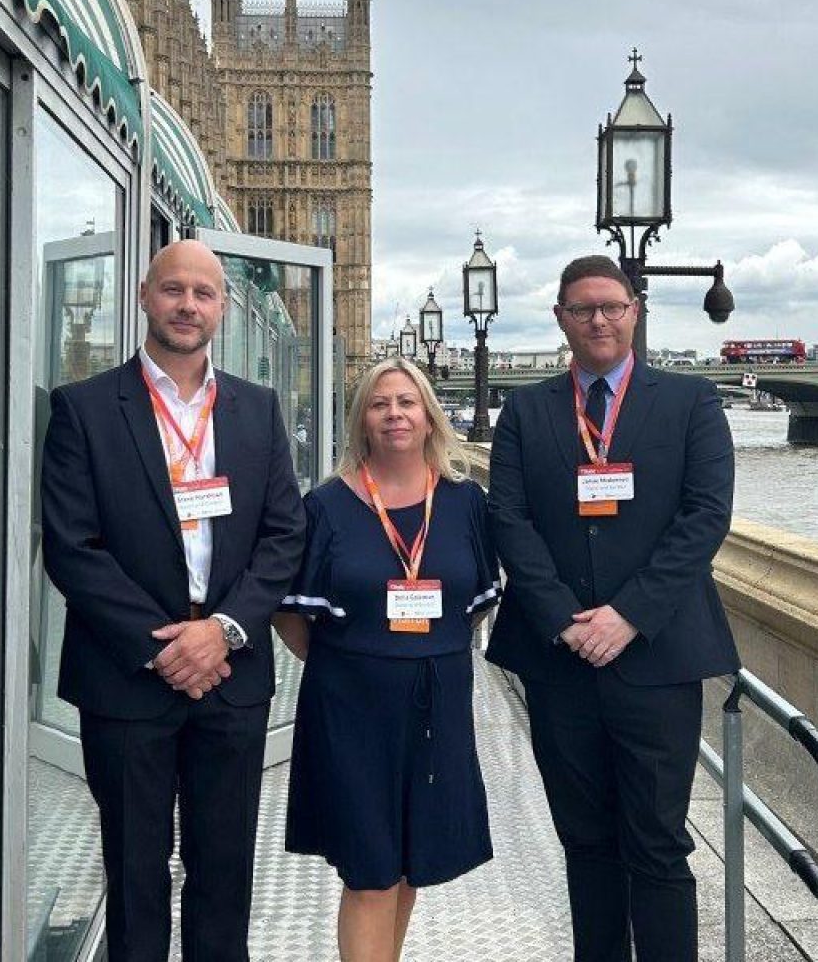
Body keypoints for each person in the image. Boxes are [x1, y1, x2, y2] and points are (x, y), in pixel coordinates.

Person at [41, 239, 306, 962]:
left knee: (224, 875)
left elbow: (285, 534)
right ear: (144, 296)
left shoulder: (257, 410)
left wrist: (222, 630)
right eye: (173, 290)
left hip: (230, 674)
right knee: (134, 874)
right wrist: (168, 648)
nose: (188, 305)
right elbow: (72, 548)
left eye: (203, 293)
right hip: (128, 679)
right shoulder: (85, 409)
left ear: (221, 307)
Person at [486, 254, 739, 962]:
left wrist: (627, 616)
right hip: (560, 663)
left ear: (635, 311)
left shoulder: (691, 403)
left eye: (613, 306)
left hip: (657, 661)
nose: (599, 319)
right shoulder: (527, 412)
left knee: (657, 842)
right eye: (583, 308)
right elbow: (509, 521)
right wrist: (567, 618)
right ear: (562, 318)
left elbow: (705, 517)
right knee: (586, 841)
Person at [274, 358, 499, 962]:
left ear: (428, 416)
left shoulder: (463, 503)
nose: (394, 414)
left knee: (408, 867)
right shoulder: (325, 507)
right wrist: (363, 660)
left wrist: (416, 651)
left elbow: (471, 603)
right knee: (369, 873)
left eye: (406, 402)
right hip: (352, 707)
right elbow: (292, 615)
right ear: (362, 422)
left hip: (438, 703)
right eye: (380, 404)